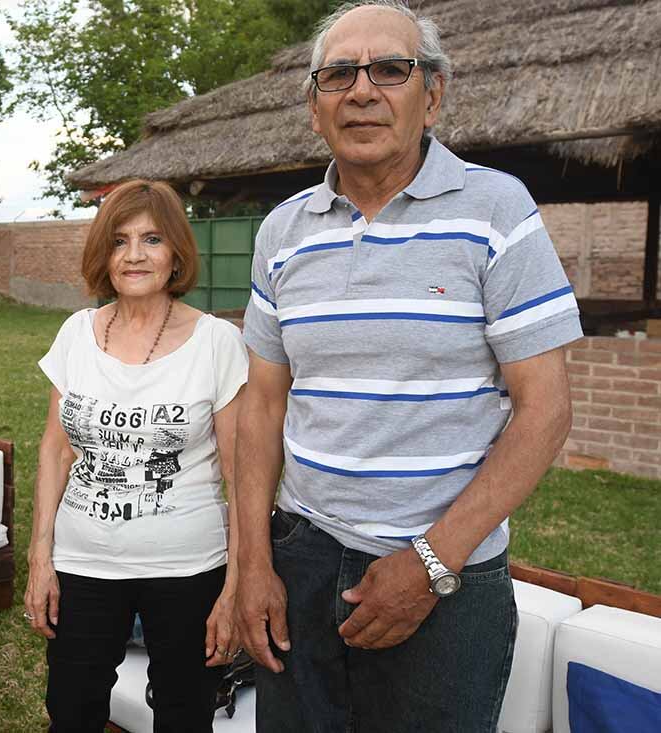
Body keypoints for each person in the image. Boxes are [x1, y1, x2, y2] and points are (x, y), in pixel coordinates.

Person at [234, 2, 582, 731]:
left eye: (390, 69)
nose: (362, 90)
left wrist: (430, 563)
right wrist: (253, 562)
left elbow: (545, 409)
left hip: (446, 572)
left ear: (435, 94)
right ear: (313, 105)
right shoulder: (282, 232)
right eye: (338, 74)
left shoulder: (496, 210)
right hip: (301, 556)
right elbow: (262, 406)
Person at [24, 179, 248, 732]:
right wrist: (39, 556)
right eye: (119, 241)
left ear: (176, 253)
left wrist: (237, 583)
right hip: (83, 563)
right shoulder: (77, 332)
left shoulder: (217, 342)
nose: (134, 255)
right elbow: (54, 451)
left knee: (184, 714)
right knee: (71, 712)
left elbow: (243, 477)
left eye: (151, 239)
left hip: (188, 568)